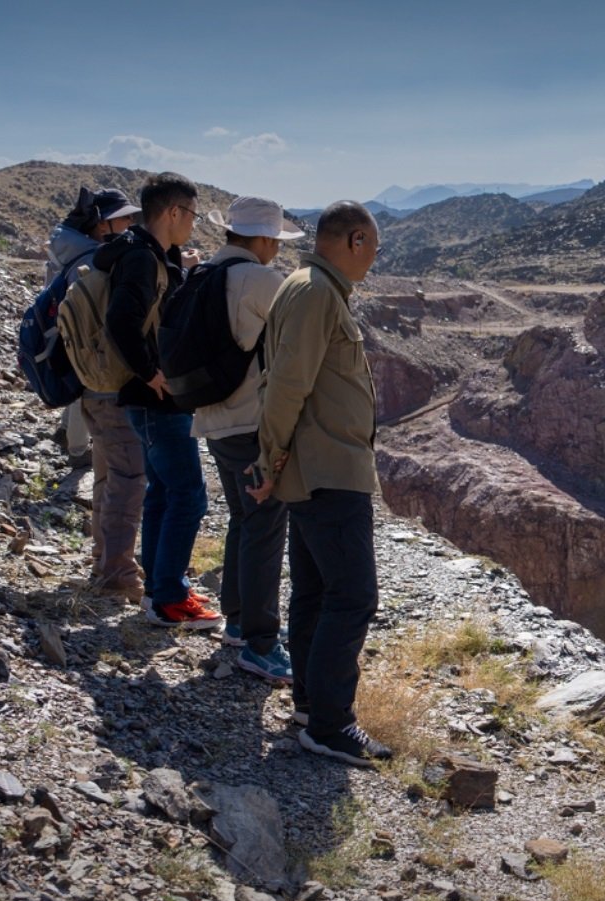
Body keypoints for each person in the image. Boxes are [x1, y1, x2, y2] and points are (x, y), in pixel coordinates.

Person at [248, 201, 390, 766]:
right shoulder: (315, 293)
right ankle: (332, 725)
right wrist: (267, 458)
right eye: (373, 248)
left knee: (314, 593)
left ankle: (310, 707)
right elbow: (286, 384)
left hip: (317, 470)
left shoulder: (307, 286)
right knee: (353, 598)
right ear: (354, 239)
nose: (374, 260)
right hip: (329, 472)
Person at [91, 172, 220, 628]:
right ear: (172, 212)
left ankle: (160, 592)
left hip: (147, 399)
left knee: (164, 492)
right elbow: (122, 321)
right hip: (155, 399)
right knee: (189, 495)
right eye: (191, 213)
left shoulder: (147, 254)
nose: (192, 222)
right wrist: (153, 373)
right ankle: (168, 597)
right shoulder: (141, 259)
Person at [193, 196, 304, 683]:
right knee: (264, 525)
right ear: (261, 239)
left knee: (243, 517)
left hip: (212, 419)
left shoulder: (200, 276)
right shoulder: (261, 280)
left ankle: (237, 622)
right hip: (250, 422)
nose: (277, 249)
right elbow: (294, 348)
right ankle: (260, 644)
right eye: (275, 241)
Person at [50, 188, 146, 600]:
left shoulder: (67, 257)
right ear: (102, 223)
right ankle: (116, 574)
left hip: (89, 385)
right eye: (124, 220)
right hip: (110, 384)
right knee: (127, 478)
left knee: (108, 476)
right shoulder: (92, 263)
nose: (130, 228)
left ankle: (105, 559)